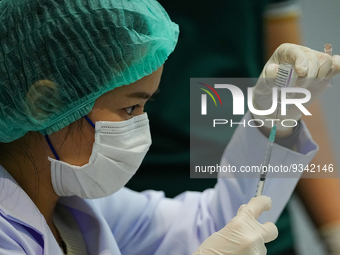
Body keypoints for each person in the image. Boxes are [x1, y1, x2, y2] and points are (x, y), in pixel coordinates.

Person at [0, 0, 338, 254]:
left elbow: (211, 225)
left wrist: (271, 120)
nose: (140, 131)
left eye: (145, 106)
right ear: (44, 103)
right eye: (129, 107)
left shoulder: (77, 205)